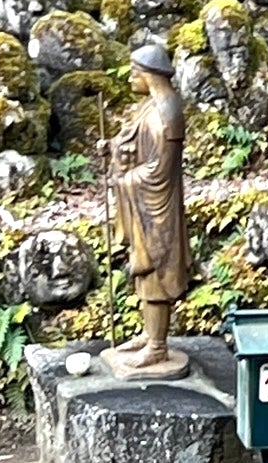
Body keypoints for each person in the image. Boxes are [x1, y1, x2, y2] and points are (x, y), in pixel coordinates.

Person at [106, 42, 191, 378]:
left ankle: (158, 346)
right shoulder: (148, 107)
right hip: (144, 206)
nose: (130, 79)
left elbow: (160, 170)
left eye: (135, 73)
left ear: (151, 75)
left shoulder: (167, 111)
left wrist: (125, 181)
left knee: (156, 272)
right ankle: (148, 336)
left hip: (158, 206)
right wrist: (111, 146)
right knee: (143, 273)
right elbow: (132, 140)